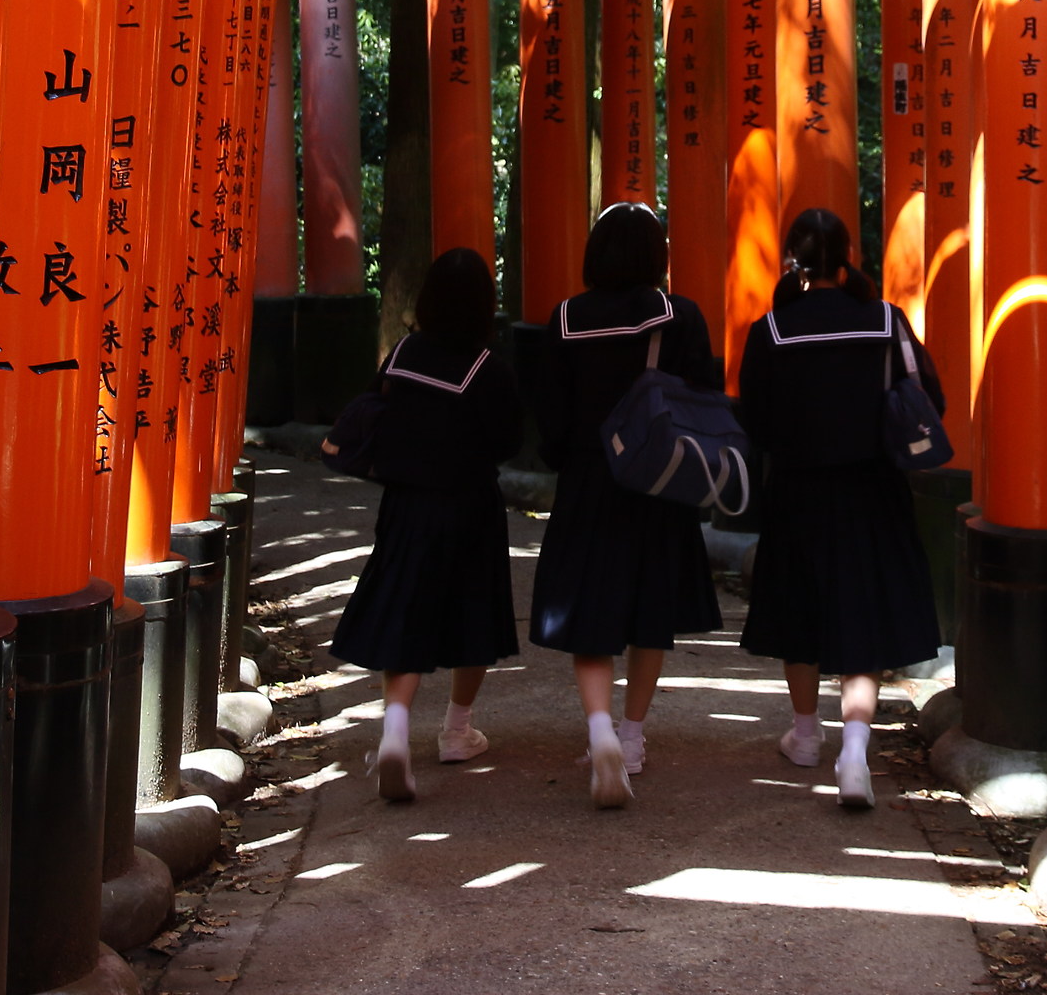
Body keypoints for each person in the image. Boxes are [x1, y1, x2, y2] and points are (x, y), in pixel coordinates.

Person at [735, 208, 944, 809]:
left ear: (793, 263)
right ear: (849, 256)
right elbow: (931, 397)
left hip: (797, 491)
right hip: (873, 491)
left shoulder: (773, 330)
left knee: (800, 612)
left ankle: (805, 736)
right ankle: (854, 748)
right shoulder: (885, 321)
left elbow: (754, 421)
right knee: (863, 615)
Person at [528, 202, 722, 809]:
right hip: (659, 483)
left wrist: (567, 459)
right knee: (648, 610)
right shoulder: (680, 316)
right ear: (657, 256)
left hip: (590, 481)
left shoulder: (566, 319)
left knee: (590, 610)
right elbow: (705, 401)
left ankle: (598, 730)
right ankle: (632, 737)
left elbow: (551, 419)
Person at [329, 248, 524, 802]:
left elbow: (376, 408)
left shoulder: (403, 353)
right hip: (470, 506)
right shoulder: (489, 368)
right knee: (473, 612)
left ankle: (395, 729)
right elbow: (508, 442)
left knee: (405, 611)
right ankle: (457, 731)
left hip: (407, 505)